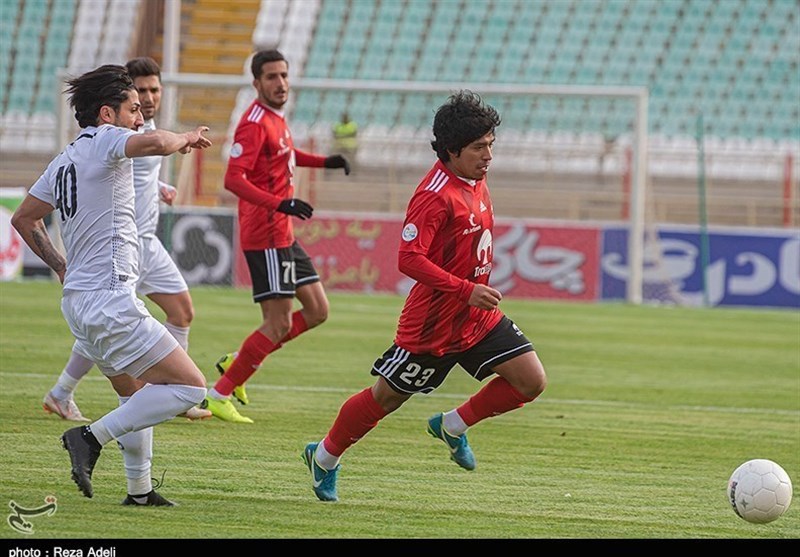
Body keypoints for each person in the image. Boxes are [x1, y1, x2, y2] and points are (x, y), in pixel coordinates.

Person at [300, 91, 548, 502]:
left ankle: (452, 425)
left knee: (530, 380)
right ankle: (324, 457)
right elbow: (408, 259)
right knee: (386, 398)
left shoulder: (477, 179)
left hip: (475, 318)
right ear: (452, 150)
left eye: (490, 145)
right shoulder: (434, 195)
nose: (488, 155)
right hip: (432, 325)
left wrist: (471, 292)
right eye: (478, 147)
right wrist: (466, 289)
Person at [11, 64, 212, 504]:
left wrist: (60, 265)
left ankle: (139, 491)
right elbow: (159, 141)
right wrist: (186, 139)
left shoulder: (64, 159)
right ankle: (89, 437)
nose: (140, 118)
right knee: (190, 387)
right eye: (133, 109)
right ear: (107, 114)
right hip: (110, 299)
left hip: (80, 303)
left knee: (133, 395)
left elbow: (24, 219)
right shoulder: (106, 141)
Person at [41, 57, 211, 423]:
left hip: (136, 245)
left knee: (115, 323)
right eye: (139, 95)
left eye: (154, 90)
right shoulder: (121, 138)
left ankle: (65, 393)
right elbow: (144, 154)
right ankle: (167, 393)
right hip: (122, 245)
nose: (147, 100)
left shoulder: (104, 143)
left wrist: (162, 186)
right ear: (111, 108)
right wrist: (183, 138)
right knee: (113, 321)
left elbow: (135, 178)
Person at [202, 49, 351, 423]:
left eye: (283, 75)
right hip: (266, 233)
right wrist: (279, 204)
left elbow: (284, 155)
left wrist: (324, 162)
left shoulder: (275, 118)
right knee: (278, 323)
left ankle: (240, 360)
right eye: (271, 77)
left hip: (282, 231)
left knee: (317, 310)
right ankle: (218, 394)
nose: (280, 83)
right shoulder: (253, 122)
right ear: (256, 83)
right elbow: (233, 178)